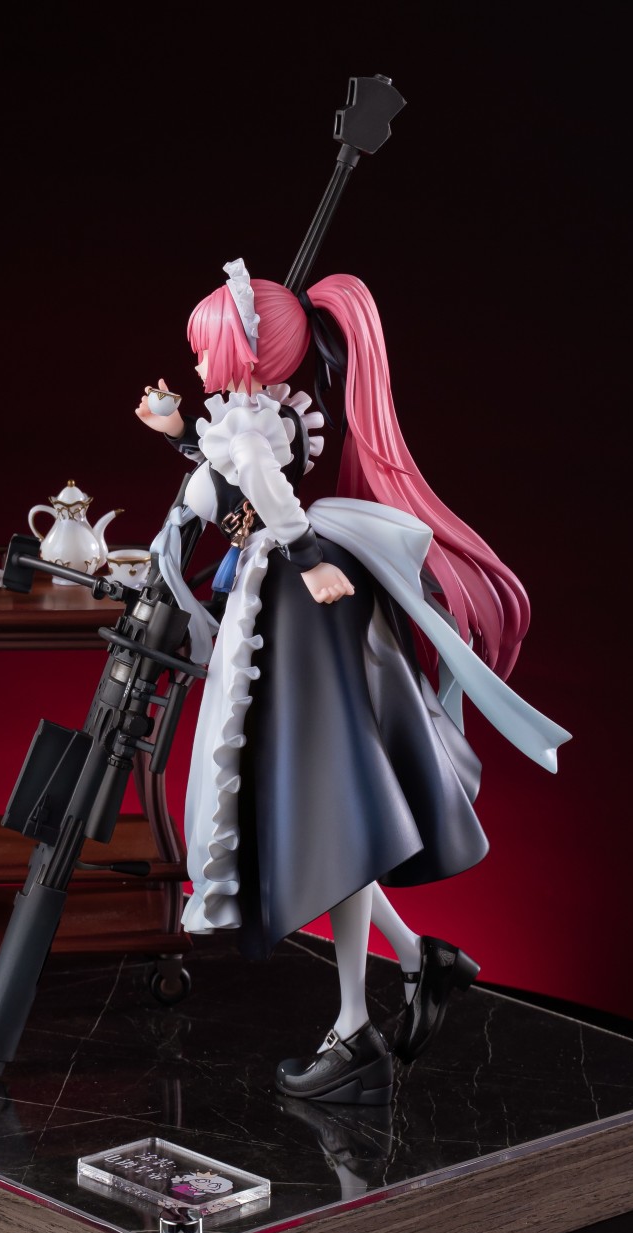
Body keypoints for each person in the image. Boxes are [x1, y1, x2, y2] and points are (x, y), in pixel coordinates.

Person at [138, 260, 569, 1103]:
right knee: (325, 814)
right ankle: (414, 962)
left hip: (295, 608)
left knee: (327, 813)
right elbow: (235, 481)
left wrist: (303, 555)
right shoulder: (248, 417)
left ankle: (355, 1026)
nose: (195, 363)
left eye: (204, 346)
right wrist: (181, 433)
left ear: (241, 352)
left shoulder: (252, 429)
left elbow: (262, 492)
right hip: (283, 601)